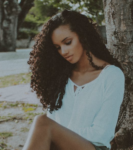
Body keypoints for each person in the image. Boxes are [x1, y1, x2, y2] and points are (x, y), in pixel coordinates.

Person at [23, 10, 125, 150]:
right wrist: (56, 134)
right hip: (58, 146)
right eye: (58, 48)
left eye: (68, 42)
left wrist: (57, 133)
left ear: (83, 36)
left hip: (93, 147)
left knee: (42, 122)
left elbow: (102, 134)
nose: (63, 52)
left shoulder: (112, 76)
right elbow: (52, 124)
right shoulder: (60, 78)